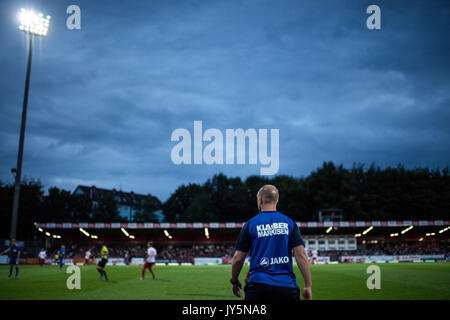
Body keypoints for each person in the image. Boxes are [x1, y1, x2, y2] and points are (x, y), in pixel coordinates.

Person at [230, 185, 312, 300]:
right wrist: (308, 285)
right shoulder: (289, 223)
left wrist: (234, 281)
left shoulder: (250, 224)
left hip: (258, 287)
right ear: (276, 200)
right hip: (287, 287)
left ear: (260, 200)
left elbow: (238, 259)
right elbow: (301, 255)